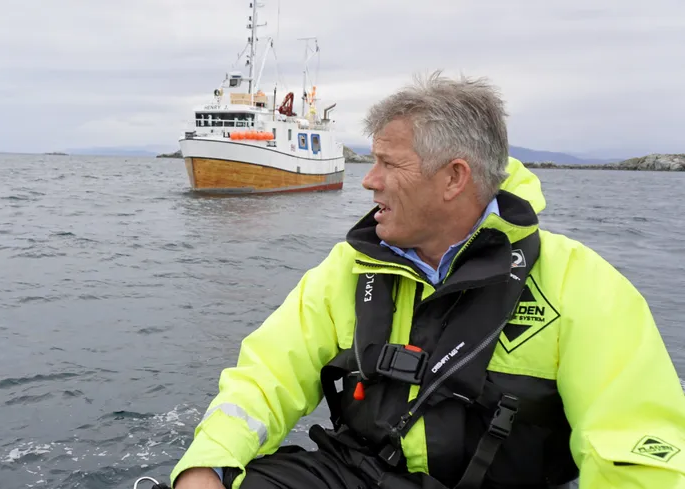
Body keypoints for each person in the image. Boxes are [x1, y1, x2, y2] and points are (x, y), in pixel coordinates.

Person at [167, 72, 685, 489]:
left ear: (454, 178)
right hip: (353, 472)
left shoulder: (583, 286)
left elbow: (636, 455)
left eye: (388, 163)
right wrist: (207, 465)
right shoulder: (346, 270)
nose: (367, 180)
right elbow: (264, 379)